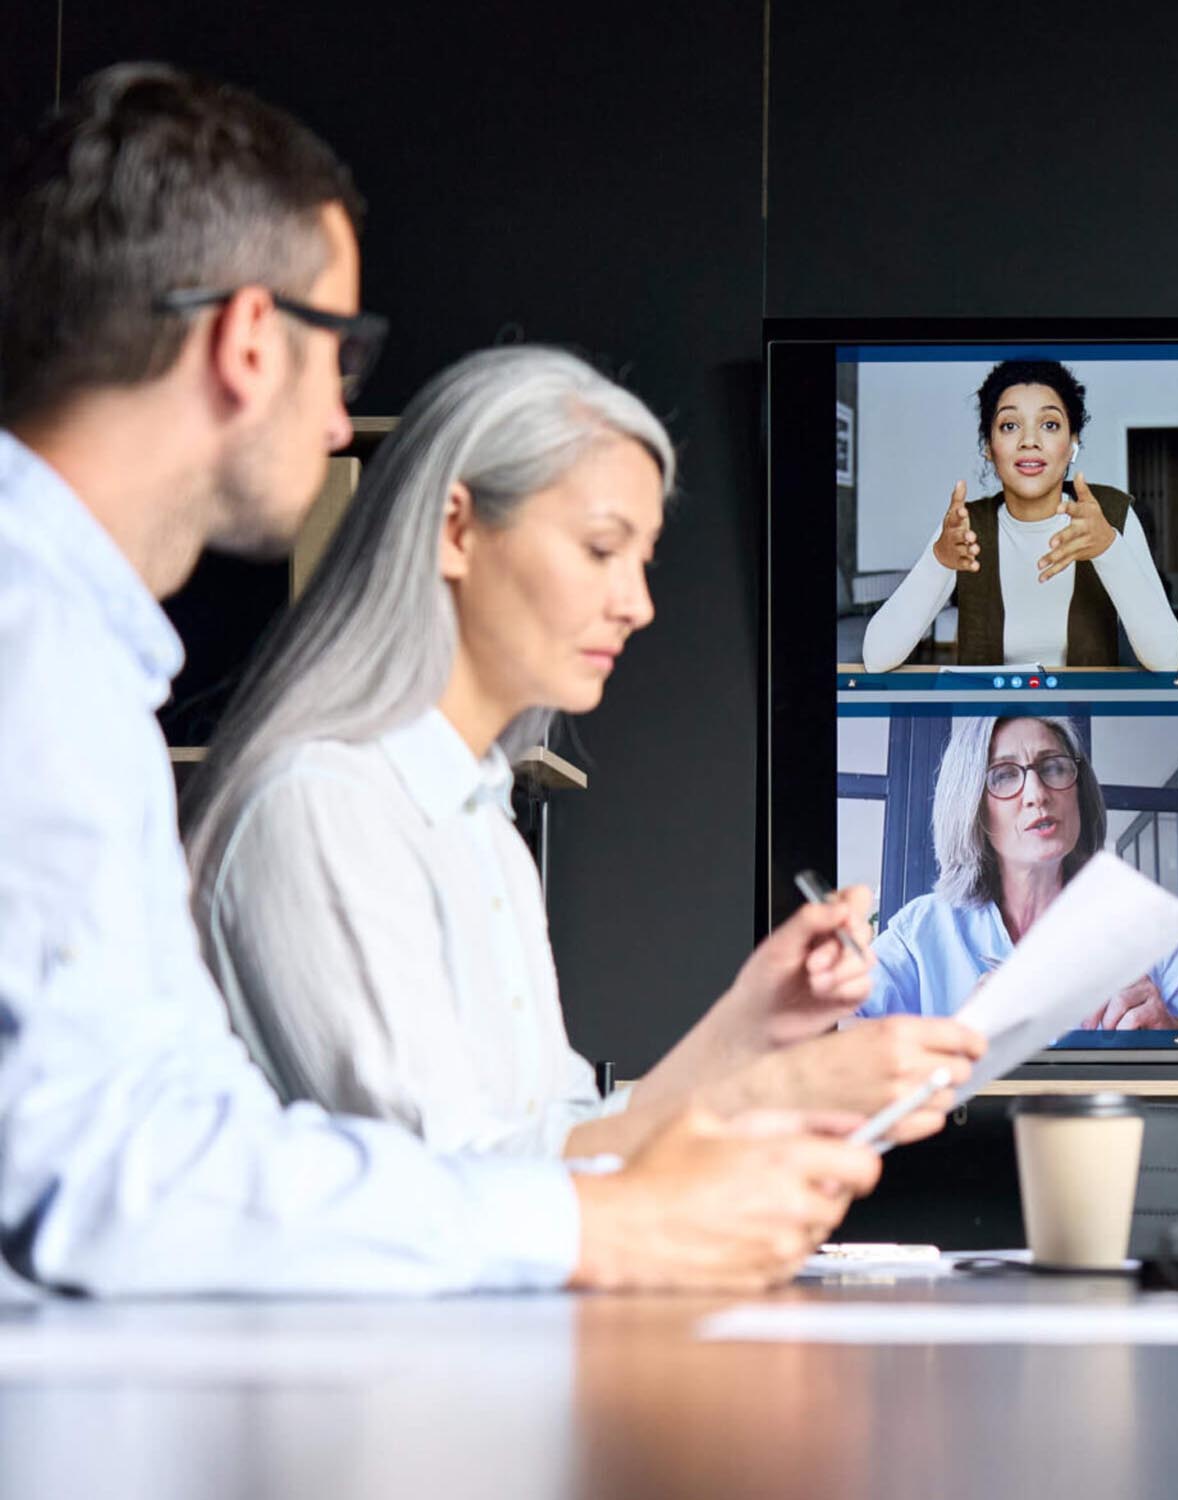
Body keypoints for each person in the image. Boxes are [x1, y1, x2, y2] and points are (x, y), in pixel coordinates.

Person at [0, 64, 871, 1296]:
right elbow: (116, 1174)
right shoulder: (42, 651)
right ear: (252, 340)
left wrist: (741, 1057)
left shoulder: (75, 652)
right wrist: (614, 1221)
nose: (338, 418)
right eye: (341, 351)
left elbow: (187, 1138)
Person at [184, 346, 984, 1159]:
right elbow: (451, 1190)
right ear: (456, 529)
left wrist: (755, 1022)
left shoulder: (481, 822)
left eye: (643, 561)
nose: (638, 605)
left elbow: (562, 1138)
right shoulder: (324, 804)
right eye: (602, 550)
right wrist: (776, 1091)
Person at [859, 715, 1178, 1029]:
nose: (1037, 794)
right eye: (1003, 775)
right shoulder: (923, 929)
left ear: (1079, 791)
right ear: (973, 807)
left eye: (1053, 767)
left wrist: (1174, 1028)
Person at [862, 360, 1178, 672]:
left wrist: (1109, 549)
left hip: (1091, 721)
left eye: (1049, 425)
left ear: (1073, 442)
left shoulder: (1111, 514)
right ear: (989, 445)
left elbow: (1166, 659)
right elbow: (876, 658)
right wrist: (939, 561)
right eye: (1010, 425)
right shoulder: (965, 526)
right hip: (990, 724)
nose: (1029, 441)